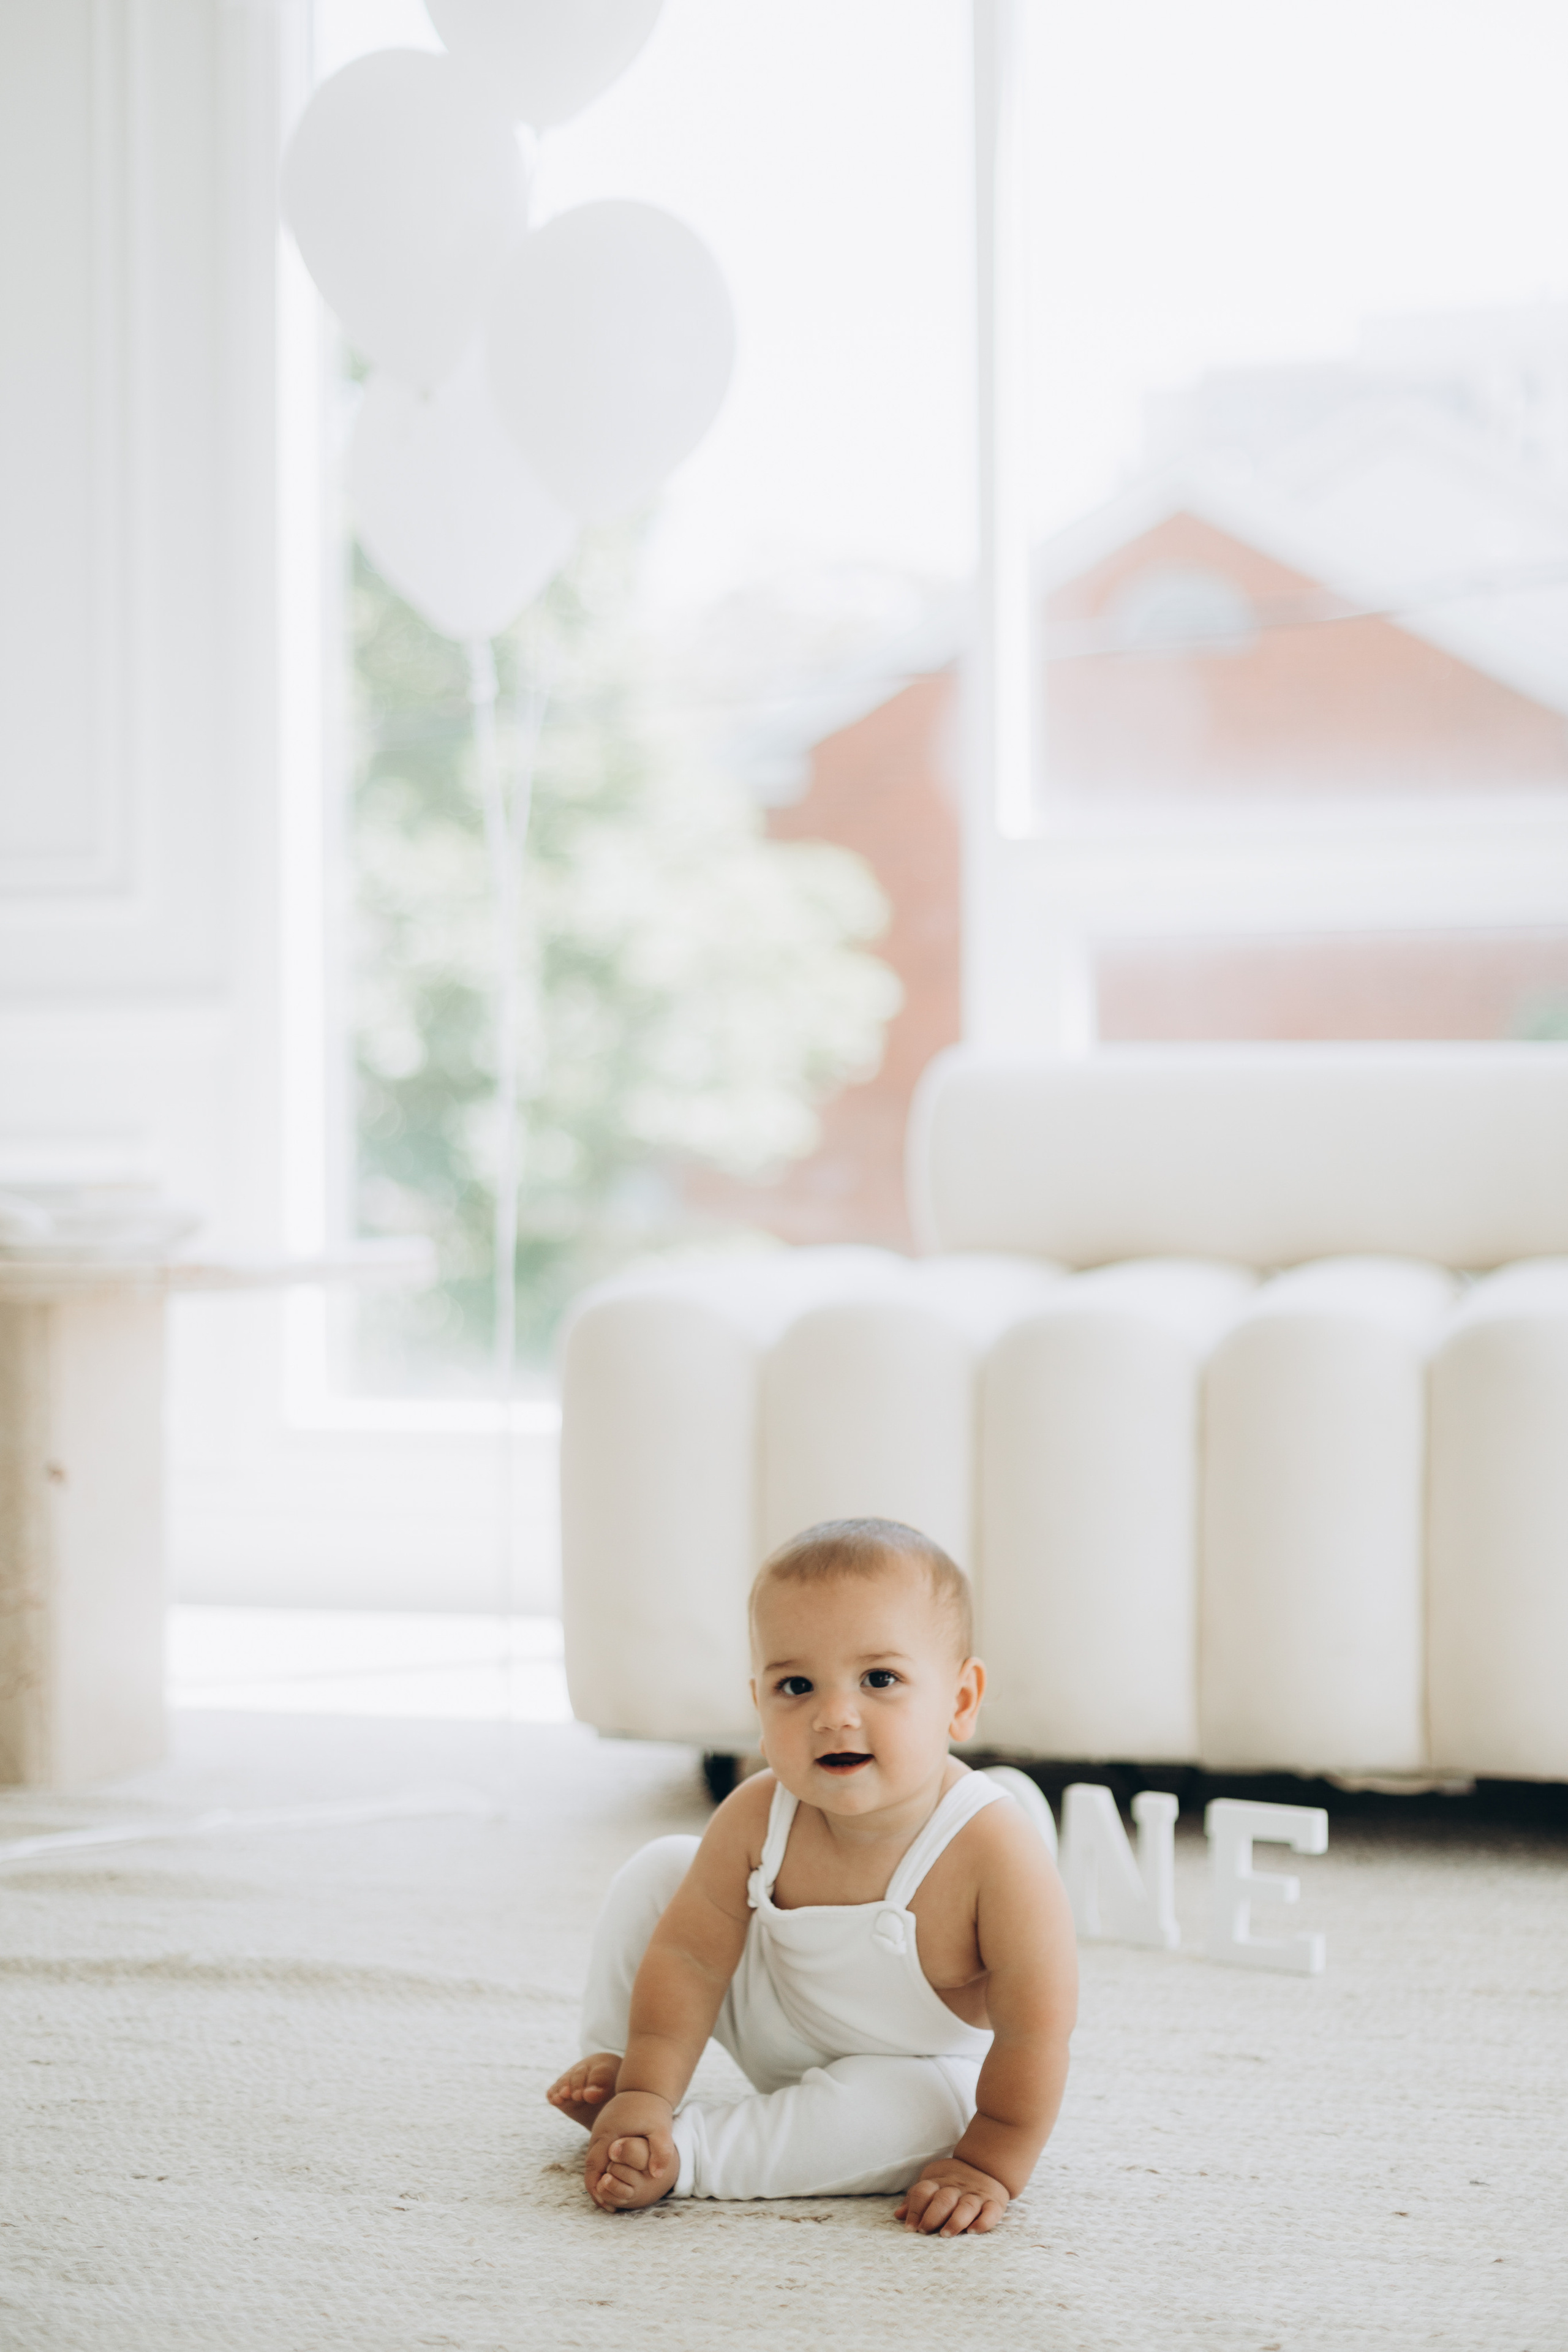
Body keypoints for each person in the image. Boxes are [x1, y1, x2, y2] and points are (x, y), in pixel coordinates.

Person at [546, 1516, 1078, 2235]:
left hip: (909, 2066)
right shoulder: (757, 1814)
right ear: (759, 1707)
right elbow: (691, 1960)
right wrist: (648, 2083)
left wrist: (992, 2160)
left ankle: (689, 2154)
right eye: (795, 1685)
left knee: (925, 2118)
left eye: (880, 1679)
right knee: (662, 1867)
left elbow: (1035, 2032)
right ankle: (624, 2079)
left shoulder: (992, 1845)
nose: (834, 1715)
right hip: (774, 2018)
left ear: (959, 1701)